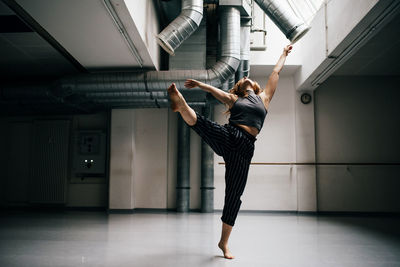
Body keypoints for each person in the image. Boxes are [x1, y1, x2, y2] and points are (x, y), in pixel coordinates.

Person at [167, 45, 293, 259]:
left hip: (245, 149)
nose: (244, 77)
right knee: (202, 123)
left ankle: (223, 243)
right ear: (239, 88)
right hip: (230, 135)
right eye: (241, 79)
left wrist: (283, 54)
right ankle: (181, 105)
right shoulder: (235, 99)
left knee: (234, 195)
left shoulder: (264, 98)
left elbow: (275, 73)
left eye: (247, 77)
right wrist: (200, 84)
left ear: (253, 85)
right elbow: (214, 92)